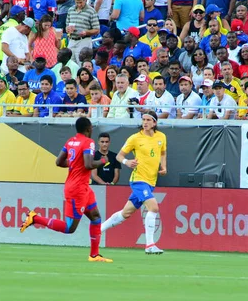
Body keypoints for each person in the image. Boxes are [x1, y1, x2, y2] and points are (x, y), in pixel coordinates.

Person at [20, 117, 113, 263]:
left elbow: (59, 162)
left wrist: (75, 163)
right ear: (89, 128)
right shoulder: (88, 142)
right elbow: (89, 165)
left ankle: (94, 255)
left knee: (95, 217)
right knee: (70, 228)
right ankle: (35, 218)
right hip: (77, 190)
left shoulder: (70, 141)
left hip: (82, 187)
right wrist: (102, 161)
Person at [101, 111, 166, 254]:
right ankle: (150, 245)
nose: (145, 122)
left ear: (154, 123)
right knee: (154, 208)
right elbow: (119, 156)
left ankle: (97, 229)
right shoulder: (135, 138)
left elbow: (162, 153)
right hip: (138, 180)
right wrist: (127, 162)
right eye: (143, 119)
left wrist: (164, 166)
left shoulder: (161, 137)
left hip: (151, 181)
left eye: (148, 120)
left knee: (126, 213)